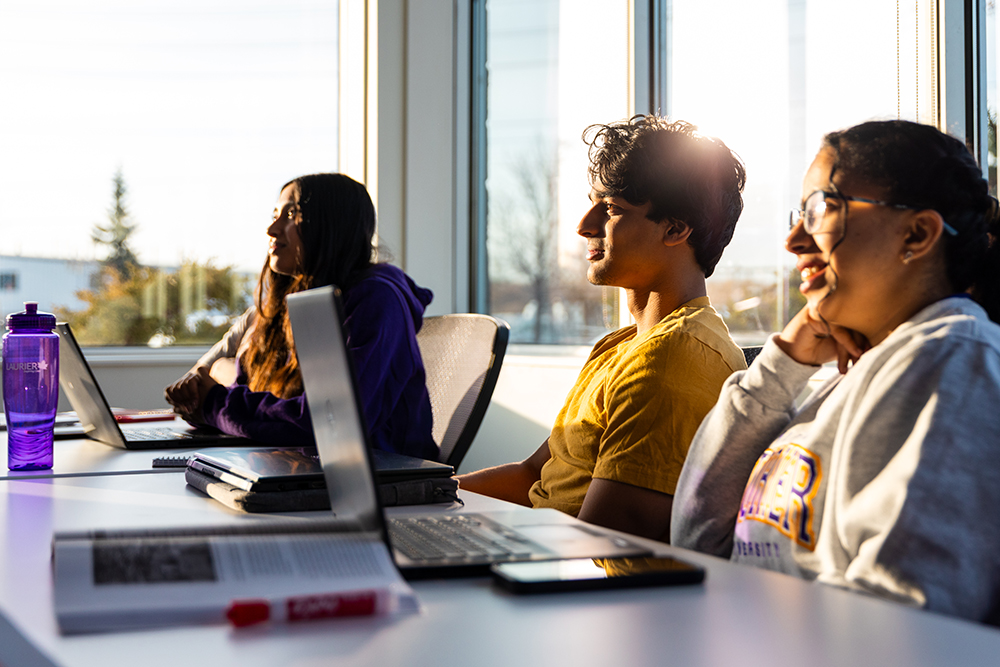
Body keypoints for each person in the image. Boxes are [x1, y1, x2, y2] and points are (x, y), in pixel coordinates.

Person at [671, 120, 1000, 624]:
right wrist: (783, 362)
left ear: (917, 234)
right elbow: (698, 543)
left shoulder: (952, 362)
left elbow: (902, 622)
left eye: (822, 209)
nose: (793, 240)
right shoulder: (845, 373)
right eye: (797, 213)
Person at [458, 115, 748, 542]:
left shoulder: (671, 359)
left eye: (611, 209)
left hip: (571, 585)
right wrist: (420, 500)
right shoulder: (622, 346)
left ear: (675, 228)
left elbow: (598, 545)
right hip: (539, 555)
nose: (584, 225)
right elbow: (533, 476)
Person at [164, 173, 439, 461]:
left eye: (291, 213)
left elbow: (331, 423)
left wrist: (214, 404)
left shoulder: (377, 301)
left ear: (331, 223)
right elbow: (253, 397)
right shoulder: (288, 307)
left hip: (386, 483)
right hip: (295, 466)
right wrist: (198, 405)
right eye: (274, 214)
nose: (272, 229)